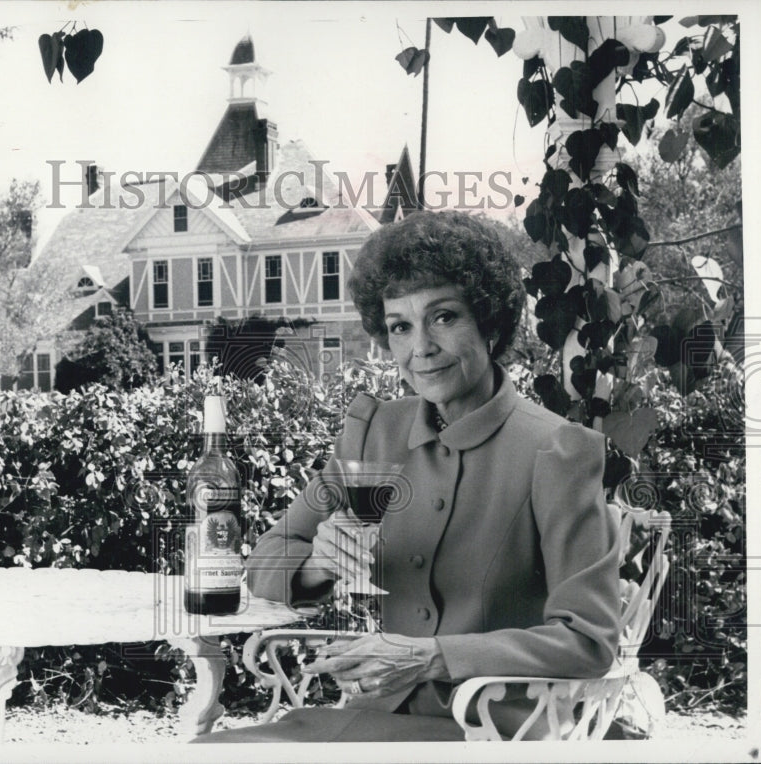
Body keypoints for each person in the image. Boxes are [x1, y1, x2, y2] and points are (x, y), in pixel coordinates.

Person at [192, 210, 621, 743]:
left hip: (492, 730)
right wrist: (317, 564)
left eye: (443, 317)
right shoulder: (372, 434)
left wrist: (432, 657)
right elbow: (265, 559)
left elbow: (589, 641)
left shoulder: (556, 451)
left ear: (489, 323)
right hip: (374, 716)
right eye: (400, 326)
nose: (420, 347)